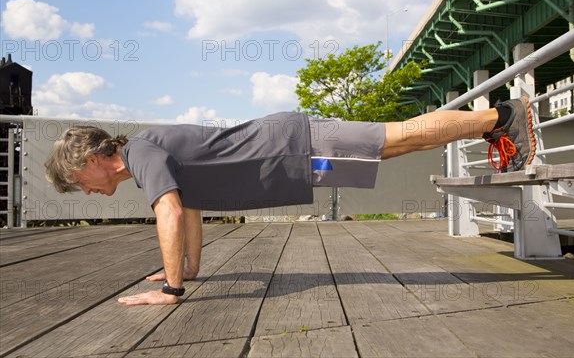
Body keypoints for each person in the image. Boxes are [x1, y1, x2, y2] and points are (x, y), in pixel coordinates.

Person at [45, 96, 536, 306]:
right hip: (293, 150)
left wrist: (172, 290)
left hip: (294, 144)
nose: (83, 190)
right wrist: (189, 269)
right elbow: (189, 207)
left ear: (93, 156)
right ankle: (497, 122)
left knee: (398, 136)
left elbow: (170, 213)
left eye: (77, 179)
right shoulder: (146, 153)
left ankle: (503, 116)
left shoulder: (142, 152)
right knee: (398, 144)